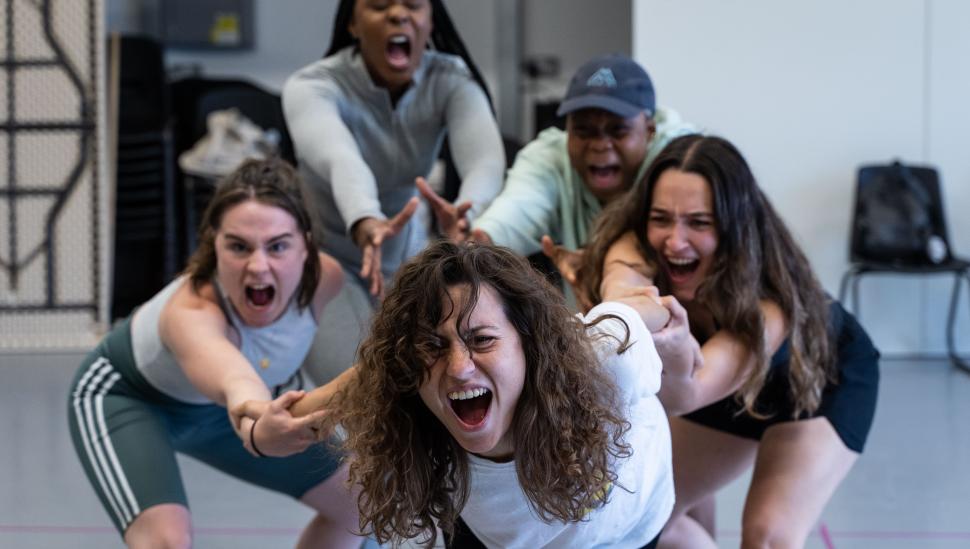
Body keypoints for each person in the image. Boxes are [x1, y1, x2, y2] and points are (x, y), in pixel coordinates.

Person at [581, 134, 880, 548]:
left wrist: (673, 345)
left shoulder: (769, 303)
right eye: (661, 218)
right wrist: (625, 308)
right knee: (643, 514)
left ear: (734, 226)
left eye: (699, 223)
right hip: (712, 376)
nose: (675, 241)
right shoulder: (636, 243)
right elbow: (622, 294)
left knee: (768, 535)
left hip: (817, 383)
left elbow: (687, 395)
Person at [273, 241, 674, 548]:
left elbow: (644, 310)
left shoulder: (603, 357)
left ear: (529, 345)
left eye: (482, 340)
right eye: (433, 346)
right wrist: (263, 431)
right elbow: (366, 377)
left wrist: (678, 331)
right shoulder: (422, 417)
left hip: (631, 529)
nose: (458, 367)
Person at [67, 159, 362, 548]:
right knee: (166, 540)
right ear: (213, 243)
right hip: (130, 401)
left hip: (218, 415)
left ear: (305, 245)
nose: (258, 267)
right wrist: (258, 429)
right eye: (239, 246)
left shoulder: (325, 280)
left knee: (361, 503)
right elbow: (236, 382)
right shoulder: (191, 313)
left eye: (278, 246)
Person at [284, 0, 506, 385]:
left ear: (430, 20)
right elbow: (341, 159)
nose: (398, 14)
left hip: (407, 252)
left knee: (426, 375)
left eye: (413, 5)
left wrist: (468, 214)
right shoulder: (312, 86)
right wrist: (366, 218)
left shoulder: (451, 79)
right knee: (351, 382)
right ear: (352, 23)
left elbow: (485, 162)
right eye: (379, 4)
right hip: (328, 257)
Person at [446, 53, 694, 297]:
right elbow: (517, 209)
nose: (600, 145)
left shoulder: (680, 158)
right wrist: (472, 241)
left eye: (617, 131)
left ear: (649, 130)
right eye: (584, 131)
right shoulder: (550, 157)